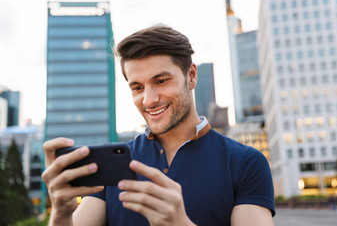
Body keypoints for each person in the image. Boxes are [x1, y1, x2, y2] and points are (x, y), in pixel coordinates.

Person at [42, 26, 275, 226]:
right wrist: (61, 213)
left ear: (191, 76)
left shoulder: (246, 162)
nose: (149, 100)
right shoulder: (113, 164)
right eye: (137, 87)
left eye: (161, 81)